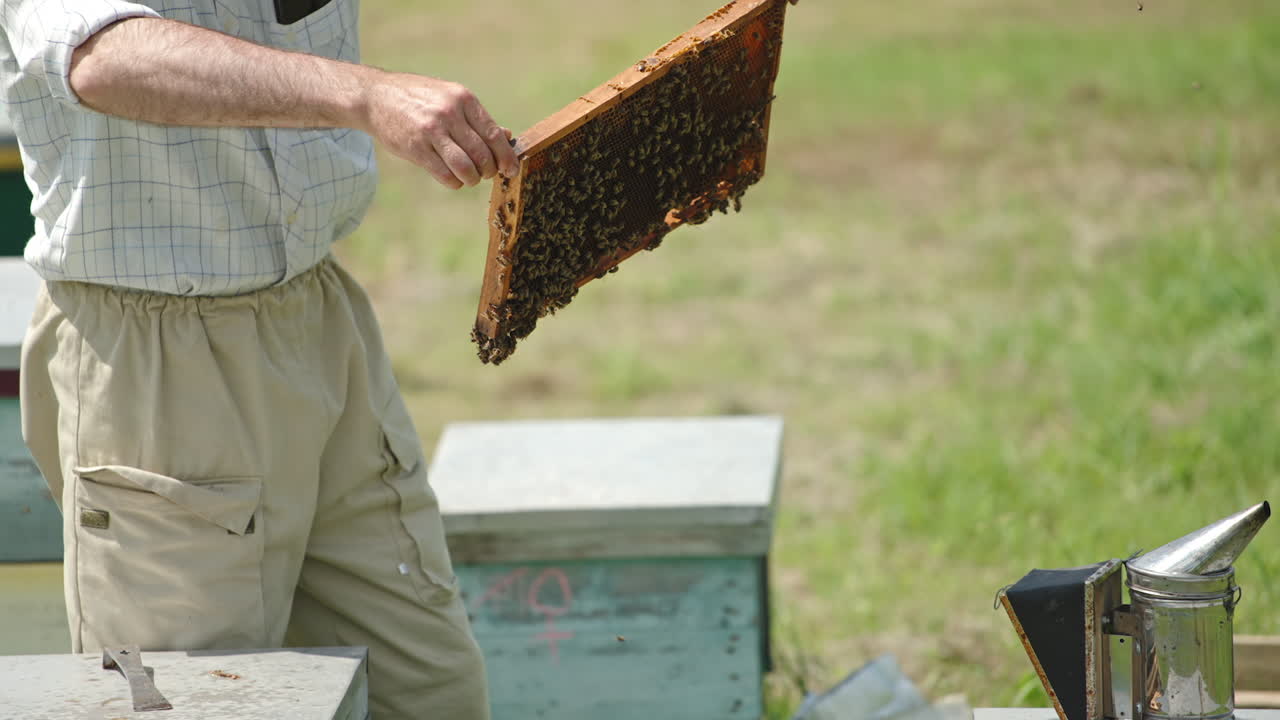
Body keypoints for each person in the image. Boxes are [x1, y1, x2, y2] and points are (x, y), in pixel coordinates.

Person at [2, 1, 517, 717]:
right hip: (157, 360)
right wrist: (365, 94)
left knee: (430, 694)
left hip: (319, 318)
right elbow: (102, 56)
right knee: (200, 703)